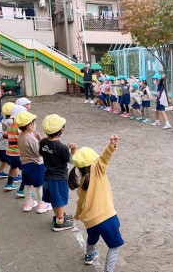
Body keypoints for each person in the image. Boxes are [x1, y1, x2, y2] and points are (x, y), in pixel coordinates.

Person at [69, 134, 124, 269]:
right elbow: (105, 158)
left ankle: (89, 255)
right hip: (107, 217)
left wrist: (76, 215)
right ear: (94, 162)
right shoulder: (98, 170)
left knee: (92, 238)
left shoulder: (82, 182)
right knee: (114, 246)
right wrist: (111, 145)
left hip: (90, 221)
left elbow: (79, 204)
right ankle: (108, 270)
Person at [39, 114, 77, 231]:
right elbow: (72, 160)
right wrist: (73, 149)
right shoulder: (62, 147)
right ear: (61, 130)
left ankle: (59, 215)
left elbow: (41, 152)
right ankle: (59, 222)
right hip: (59, 178)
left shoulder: (43, 142)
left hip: (47, 176)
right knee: (59, 199)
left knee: (54, 198)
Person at [15, 111, 52, 213]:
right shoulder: (31, 139)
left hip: (25, 164)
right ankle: (41, 204)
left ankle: (28, 202)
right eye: (34, 123)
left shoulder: (21, 136)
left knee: (27, 184)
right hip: (36, 165)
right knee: (40, 185)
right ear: (30, 126)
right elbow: (38, 153)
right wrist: (42, 142)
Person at [4, 105, 27, 191]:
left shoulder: (10, 126)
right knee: (25, 171)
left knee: (12, 168)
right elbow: (24, 139)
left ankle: (9, 184)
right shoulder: (19, 128)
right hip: (18, 153)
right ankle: (22, 189)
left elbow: (5, 135)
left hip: (10, 152)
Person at [0, 102, 15, 178]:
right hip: (5, 145)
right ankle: (16, 176)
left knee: (4, 160)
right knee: (14, 162)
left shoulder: (4, 119)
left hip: (1, 143)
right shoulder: (11, 121)